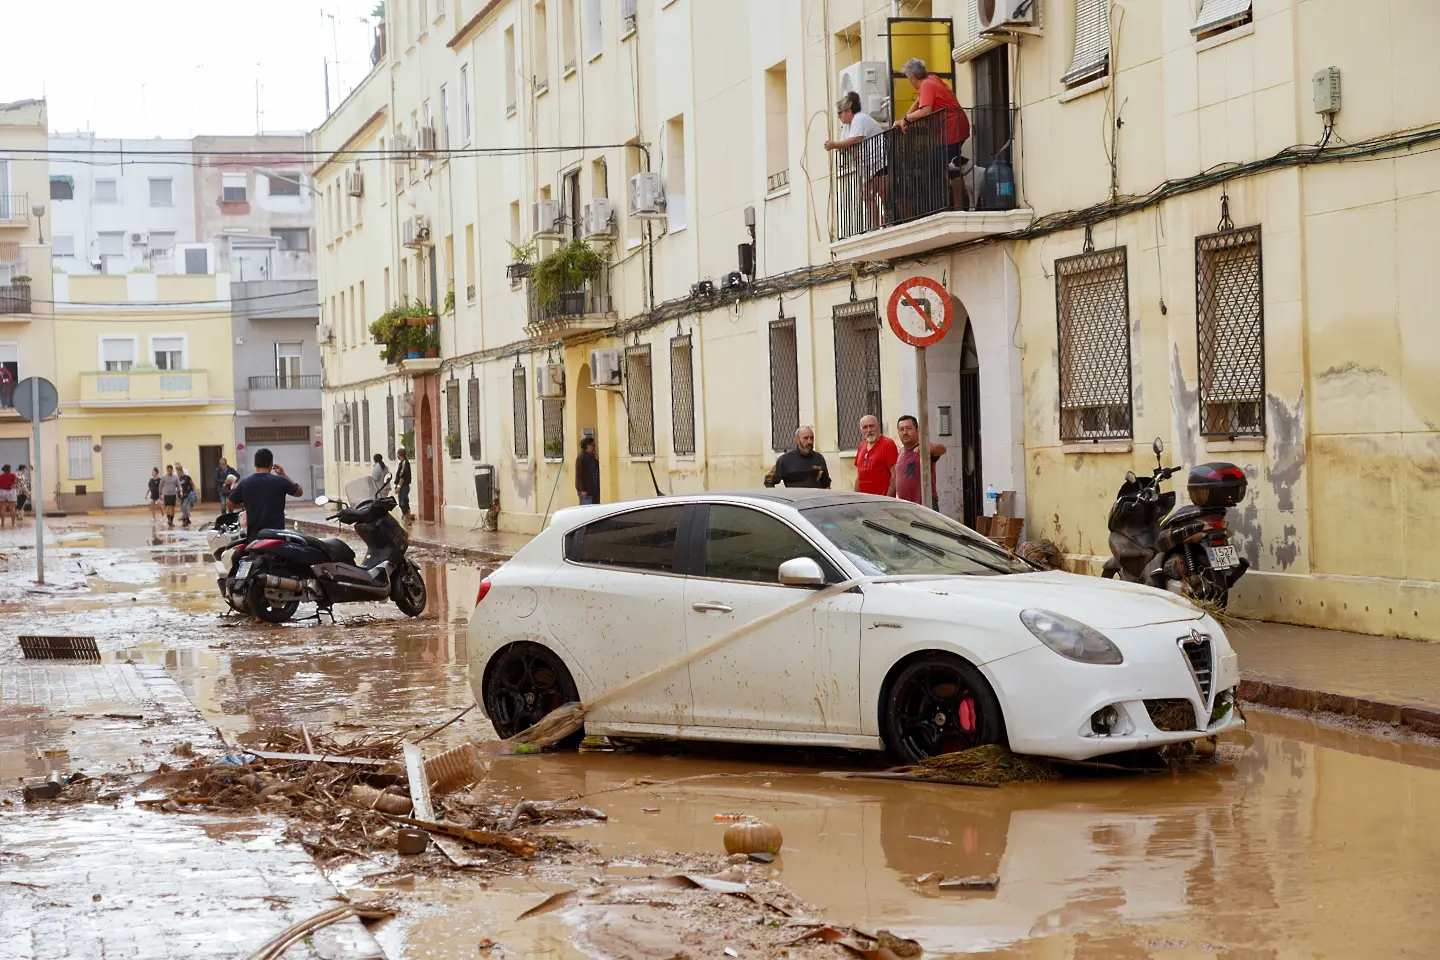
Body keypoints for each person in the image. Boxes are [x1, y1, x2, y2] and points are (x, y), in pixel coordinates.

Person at [897, 58, 971, 212]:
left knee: (948, 166)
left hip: (952, 128)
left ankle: (957, 206)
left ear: (912, 78)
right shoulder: (932, 79)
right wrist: (905, 118)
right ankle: (954, 204)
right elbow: (919, 101)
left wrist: (905, 119)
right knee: (946, 164)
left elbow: (925, 111)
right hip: (954, 126)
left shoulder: (926, 85)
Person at [824, 91, 887, 230]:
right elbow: (846, 142)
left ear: (848, 111)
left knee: (883, 192)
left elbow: (854, 139)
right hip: (869, 166)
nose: (839, 116)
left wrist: (833, 145)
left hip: (881, 161)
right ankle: (875, 226)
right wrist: (844, 148)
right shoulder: (847, 125)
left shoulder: (859, 118)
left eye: (840, 113)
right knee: (866, 194)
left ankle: (889, 221)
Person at [226, 447, 303, 538]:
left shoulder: (246, 482)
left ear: (255, 464)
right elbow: (299, 492)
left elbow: (229, 503)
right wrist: (283, 474)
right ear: (271, 464)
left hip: (254, 538)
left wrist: (247, 504)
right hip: (276, 537)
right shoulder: (280, 480)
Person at [893, 415, 947, 509]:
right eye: (901, 429)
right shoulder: (901, 451)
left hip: (924, 506)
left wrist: (927, 449)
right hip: (906, 506)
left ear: (917, 430)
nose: (905, 432)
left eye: (909, 428)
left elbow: (942, 449)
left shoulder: (924, 447)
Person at [765, 425, 832, 489]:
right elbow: (769, 481)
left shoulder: (819, 458)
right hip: (796, 500)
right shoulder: (785, 460)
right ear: (797, 440)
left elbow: (826, 483)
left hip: (815, 499)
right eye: (805, 438)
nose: (809, 441)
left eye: (811, 438)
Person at [853, 415, 899, 496]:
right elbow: (859, 475)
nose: (869, 430)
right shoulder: (862, 445)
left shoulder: (888, 444)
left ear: (878, 426)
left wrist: (887, 500)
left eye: (872, 426)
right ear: (861, 430)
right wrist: (855, 497)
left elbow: (895, 475)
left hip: (880, 501)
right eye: (865, 427)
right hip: (863, 500)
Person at [575, 436, 601, 505]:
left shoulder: (590, 457)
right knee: (586, 510)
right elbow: (579, 475)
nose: (594, 447)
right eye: (593, 445)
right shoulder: (581, 457)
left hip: (592, 490)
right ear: (587, 446)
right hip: (586, 491)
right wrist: (583, 489)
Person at [394, 447, 413, 521]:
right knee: (404, 503)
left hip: (403, 487)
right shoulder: (402, 463)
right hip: (403, 486)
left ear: (399, 455)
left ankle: (408, 520)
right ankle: (407, 520)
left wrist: (398, 486)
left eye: (397, 454)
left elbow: (403, 476)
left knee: (403, 503)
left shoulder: (405, 463)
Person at [0, 464, 16, 529]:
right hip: (10, 492)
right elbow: (20, 479)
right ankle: (13, 524)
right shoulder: (13, 475)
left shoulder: (0, 476)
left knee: (3, 508)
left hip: (2, 492)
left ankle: (2, 524)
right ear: (9, 468)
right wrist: (13, 483)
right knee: (12, 508)